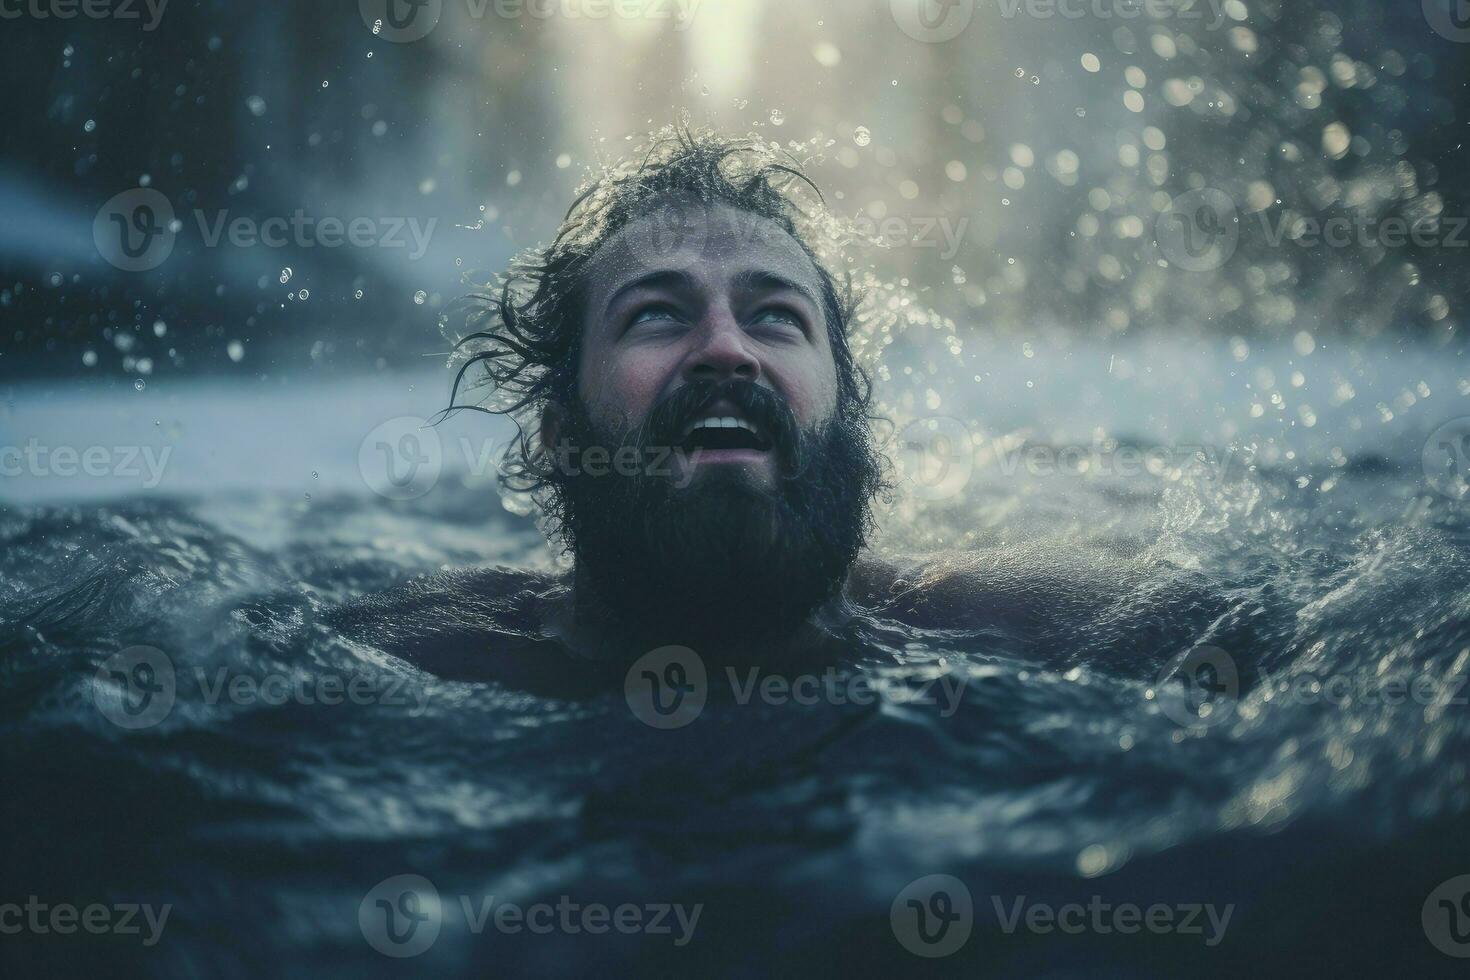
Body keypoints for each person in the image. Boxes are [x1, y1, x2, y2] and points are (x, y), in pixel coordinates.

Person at [328, 129, 1150, 688]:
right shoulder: (401, 655)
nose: (727, 347)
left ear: (849, 417)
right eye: (655, 313)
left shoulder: (1039, 624)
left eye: (776, 317)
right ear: (555, 431)